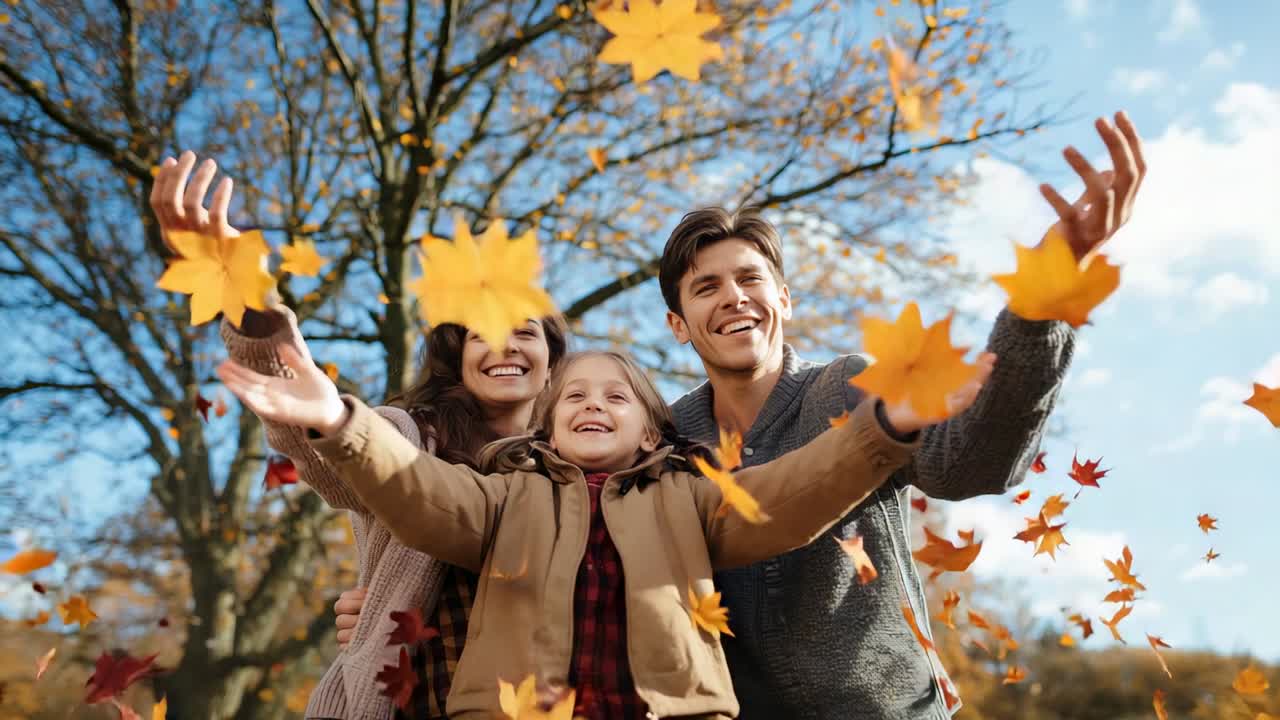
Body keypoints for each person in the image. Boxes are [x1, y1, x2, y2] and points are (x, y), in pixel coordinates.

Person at [332, 111, 1147, 718]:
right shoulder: (656, 447)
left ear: (783, 299)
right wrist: (409, 599)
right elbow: (555, 557)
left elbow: (973, 464)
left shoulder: (852, 387)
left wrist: (1041, 306)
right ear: (678, 326)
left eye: (750, 278)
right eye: (706, 287)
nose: (734, 298)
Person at [216, 343, 992, 719]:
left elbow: (789, 494)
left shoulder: (689, 496)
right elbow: (419, 491)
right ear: (547, 428)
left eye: (616, 396)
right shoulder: (501, 497)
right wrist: (339, 420)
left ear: (653, 431)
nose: (593, 403)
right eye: (574, 395)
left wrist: (882, 426)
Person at [149, 152, 569, 720]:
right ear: (456, 359)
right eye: (480, 335)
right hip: (411, 699)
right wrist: (244, 290)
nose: (504, 345)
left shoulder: (579, 462)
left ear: (551, 361)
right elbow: (319, 435)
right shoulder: (404, 437)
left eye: (525, 332)